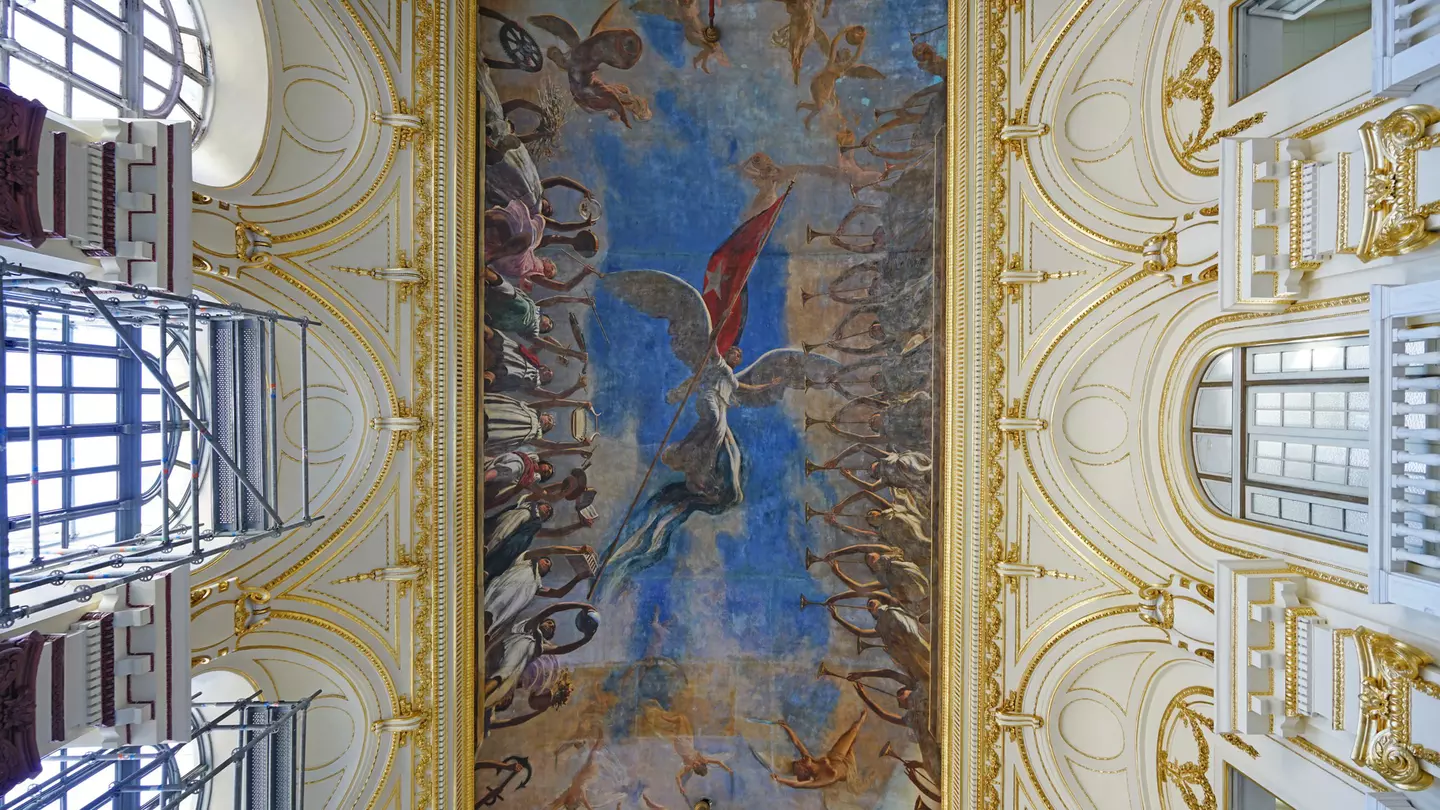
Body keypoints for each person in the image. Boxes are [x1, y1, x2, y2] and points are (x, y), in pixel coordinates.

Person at [638, 700, 734, 798]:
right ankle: (665, 718)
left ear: (695, 768)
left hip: (681, 744)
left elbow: (678, 776)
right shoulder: (702, 759)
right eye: (698, 764)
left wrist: (681, 787)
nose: (695, 764)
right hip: (688, 741)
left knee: (680, 719)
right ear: (701, 764)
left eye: (695, 766)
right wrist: (728, 769)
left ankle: (665, 718)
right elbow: (718, 762)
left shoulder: (688, 767)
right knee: (683, 719)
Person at [484, 551, 593, 634]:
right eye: (546, 561)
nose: (547, 565)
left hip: (504, 611)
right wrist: (575, 551)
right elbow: (552, 549)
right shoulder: (525, 562)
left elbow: (558, 593)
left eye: (549, 566)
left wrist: (577, 579)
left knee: (491, 623)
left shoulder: (536, 584)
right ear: (538, 559)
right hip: (495, 595)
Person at [825, 598, 930, 684]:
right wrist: (837, 618)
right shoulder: (881, 626)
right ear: (872, 614)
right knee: (925, 676)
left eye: (872, 601)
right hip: (909, 655)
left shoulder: (894, 609)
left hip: (918, 641)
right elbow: (860, 631)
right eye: (869, 607)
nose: (870, 603)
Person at [771, 711, 868, 790]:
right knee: (852, 746)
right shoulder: (820, 779)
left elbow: (796, 742)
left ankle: (862, 718)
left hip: (835, 757)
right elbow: (797, 785)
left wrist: (786, 727)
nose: (800, 760)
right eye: (800, 765)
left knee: (852, 731)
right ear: (805, 772)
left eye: (798, 762)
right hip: (848, 769)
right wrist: (779, 780)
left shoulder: (808, 758)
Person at [483, 394, 592, 455]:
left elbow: (555, 446)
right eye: (549, 419)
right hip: (497, 412)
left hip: (495, 435)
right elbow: (554, 402)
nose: (548, 422)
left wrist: (579, 445)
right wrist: (580, 403)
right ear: (544, 414)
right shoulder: (533, 410)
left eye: (549, 425)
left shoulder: (535, 436)